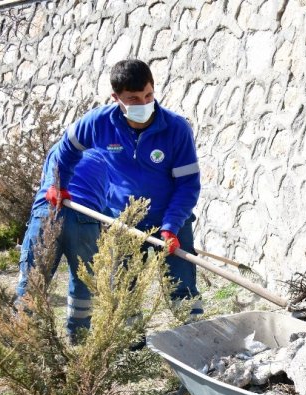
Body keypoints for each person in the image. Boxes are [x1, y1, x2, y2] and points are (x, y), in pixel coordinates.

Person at [46, 59, 203, 318]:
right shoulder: (99, 123)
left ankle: (195, 342)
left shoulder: (176, 129)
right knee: (124, 292)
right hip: (123, 222)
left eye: (148, 95)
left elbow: (188, 185)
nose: (144, 104)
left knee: (183, 289)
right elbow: (67, 148)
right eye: (133, 99)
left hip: (172, 221)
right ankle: (132, 352)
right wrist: (58, 183)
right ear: (116, 97)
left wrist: (171, 226)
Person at [16, 146, 107, 343]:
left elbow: (45, 182)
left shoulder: (58, 148)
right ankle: (78, 338)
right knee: (84, 281)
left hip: (47, 213)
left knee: (33, 279)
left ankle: (22, 338)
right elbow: (108, 199)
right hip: (87, 217)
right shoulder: (106, 158)